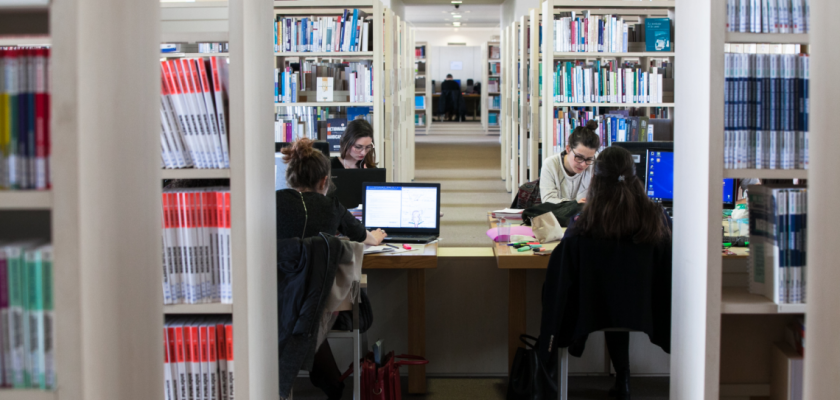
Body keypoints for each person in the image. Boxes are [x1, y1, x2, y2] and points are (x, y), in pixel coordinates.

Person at [539, 146, 672, 400]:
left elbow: (560, 274)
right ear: (635, 178)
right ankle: (623, 378)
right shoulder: (658, 218)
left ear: (596, 180)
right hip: (643, 308)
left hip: (592, 309)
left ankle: (574, 350)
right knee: (617, 299)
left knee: (598, 298)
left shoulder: (583, 224)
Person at [277, 138, 386, 399]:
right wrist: (377, 236)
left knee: (303, 314)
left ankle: (324, 382)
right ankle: (333, 385)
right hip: (323, 301)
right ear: (325, 181)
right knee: (314, 312)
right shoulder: (332, 207)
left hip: (277, 300)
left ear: (290, 177)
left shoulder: (274, 202)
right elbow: (362, 236)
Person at [539, 120, 600, 204]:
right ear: (568, 149)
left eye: (589, 159)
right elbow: (548, 202)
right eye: (579, 157)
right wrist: (575, 205)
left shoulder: (596, 162)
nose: (583, 164)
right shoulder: (550, 164)